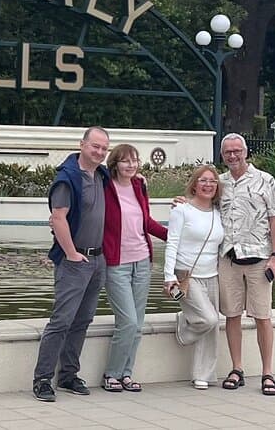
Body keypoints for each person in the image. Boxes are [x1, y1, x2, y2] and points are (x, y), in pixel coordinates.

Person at [32, 126, 111, 403]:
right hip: (74, 261)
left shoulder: (102, 176)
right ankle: (42, 379)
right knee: (62, 321)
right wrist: (71, 253)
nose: (99, 152)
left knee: (82, 321)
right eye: (95, 146)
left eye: (104, 148)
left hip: (97, 260)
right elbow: (58, 217)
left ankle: (68, 375)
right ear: (82, 145)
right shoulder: (67, 179)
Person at [217, 132, 275, 396]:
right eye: (228, 152)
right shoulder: (219, 183)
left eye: (237, 151)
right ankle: (237, 368)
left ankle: (267, 372)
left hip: (259, 259)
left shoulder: (265, 180)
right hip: (229, 259)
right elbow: (200, 200)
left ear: (246, 152)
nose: (233, 156)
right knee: (232, 315)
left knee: (262, 316)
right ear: (222, 155)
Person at [99, 143, 169, 393]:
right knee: (127, 321)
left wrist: (171, 236)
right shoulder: (104, 185)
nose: (131, 165)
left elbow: (146, 220)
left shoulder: (139, 186)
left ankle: (126, 375)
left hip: (142, 261)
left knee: (137, 324)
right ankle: (111, 374)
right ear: (114, 164)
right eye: (125, 161)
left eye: (135, 160)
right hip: (116, 263)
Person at [163, 164, 224, 389]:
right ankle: (184, 328)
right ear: (194, 184)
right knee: (209, 319)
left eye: (212, 181)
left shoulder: (219, 213)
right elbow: (172, 243)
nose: (208, 185)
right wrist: (169, 276)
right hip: (186, 274)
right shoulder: (182, 210)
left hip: (212, 274)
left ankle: (203, 375)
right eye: (203, 180)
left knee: (212, 329)